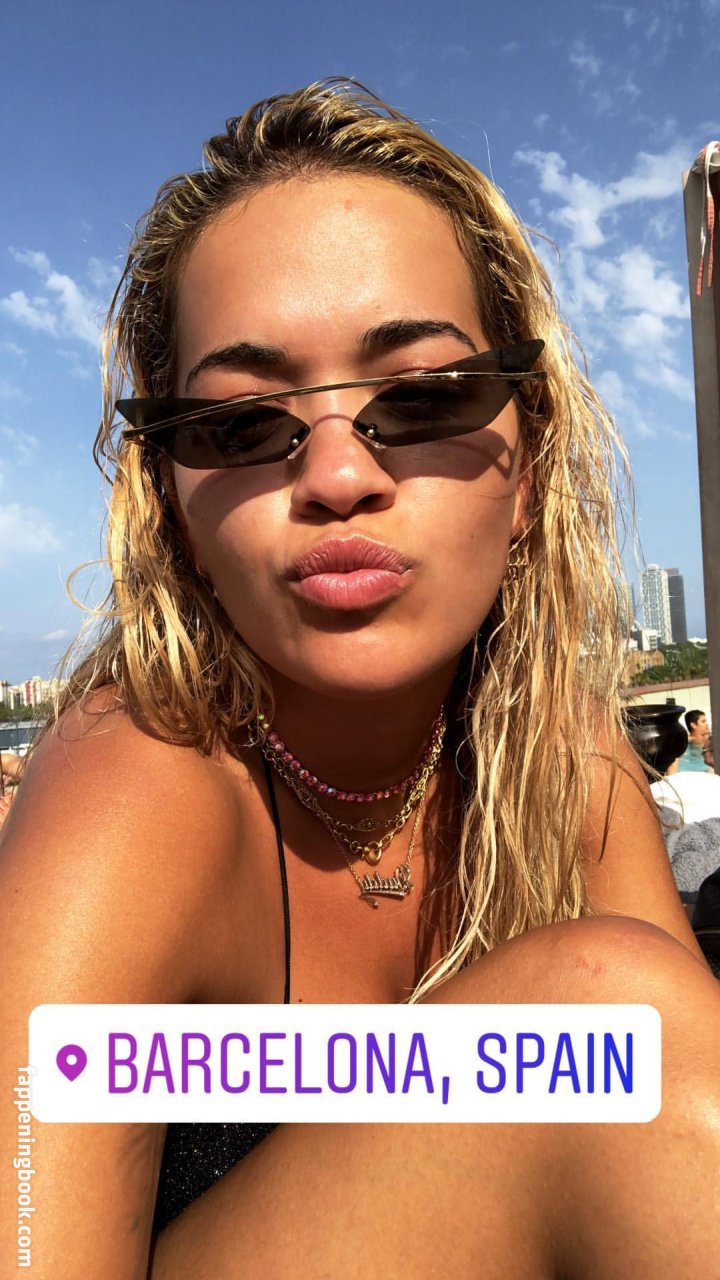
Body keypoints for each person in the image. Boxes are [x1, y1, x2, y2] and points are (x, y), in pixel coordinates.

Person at [1, 80, 718, 1278]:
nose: (337, 474)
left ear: (529, 465)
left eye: (423, 397)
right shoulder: (132, 788)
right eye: (240, 424)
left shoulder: (562, 753)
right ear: (173, 508)